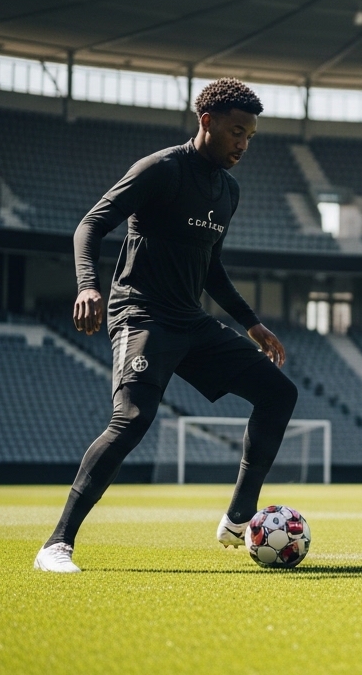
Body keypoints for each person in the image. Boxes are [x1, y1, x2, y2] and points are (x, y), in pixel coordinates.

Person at [35, 78, 298, 573]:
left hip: (191, 321)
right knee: (132, 419)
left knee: (279, 393)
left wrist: (251, 324)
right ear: (207, 122)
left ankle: (240, 517)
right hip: (141, 314)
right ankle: (56, 544)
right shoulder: (161, 169)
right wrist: (88, 285)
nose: (244, 144)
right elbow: (90, 224)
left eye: (250, 136)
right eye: (237, 132)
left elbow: (210, 265)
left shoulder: (228, 190)